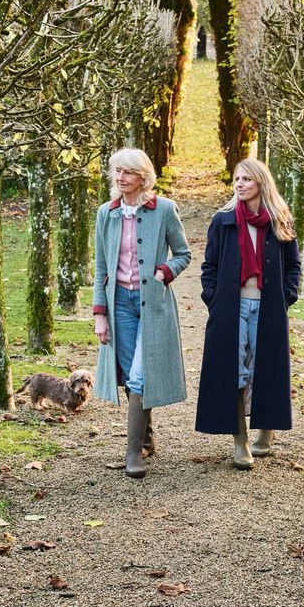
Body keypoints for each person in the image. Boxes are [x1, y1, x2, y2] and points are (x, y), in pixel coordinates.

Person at [195, 159, 300, 469]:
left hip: (268, 306)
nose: (239, 184)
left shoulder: (279, 219)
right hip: (232, 306)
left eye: (246, 179)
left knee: (266, 368)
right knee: (234, 370)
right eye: (237, 179)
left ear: (261, 182)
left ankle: (266, 433)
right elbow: (209, 266)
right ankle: (240, 441)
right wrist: (214, 299)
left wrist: (286, 296)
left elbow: (292, 265)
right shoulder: (223, 220)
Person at [92, 148, 191, 477]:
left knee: (139, 375)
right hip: (119, 303)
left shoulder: (164, 209)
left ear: (143, 177)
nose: (121, 178)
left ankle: (133, 453)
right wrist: (100, 314)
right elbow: (101, 268)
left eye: (128, 172)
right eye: (117, 171)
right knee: (130, 374)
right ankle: (146, 439)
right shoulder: (106, 213)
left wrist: (164, 271)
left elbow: (184, 253)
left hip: (152, 303)